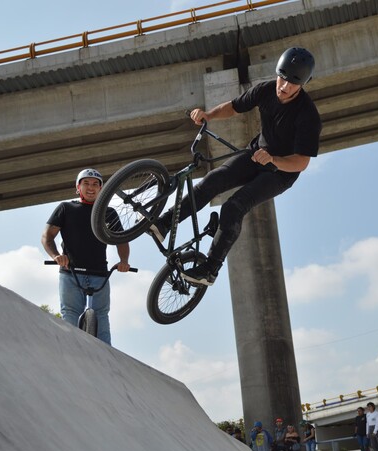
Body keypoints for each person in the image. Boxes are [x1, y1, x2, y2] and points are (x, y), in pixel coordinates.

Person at [148, 47, 321, 286]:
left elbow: (301, 162)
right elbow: (234, 106)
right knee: (211, 181)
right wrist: (208, 115)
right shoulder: (265, 90)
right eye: (282, 78)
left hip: (280, 172)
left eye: (292, 83)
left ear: (303, 83)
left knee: (233, 207)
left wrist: (273, 160)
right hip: (255, 154)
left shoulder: (308, 115)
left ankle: (209, 269)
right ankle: (164, 224)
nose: (283, 86)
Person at [41, 168, 130, 345]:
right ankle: (68, 353)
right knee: (70, 315)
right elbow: (47, 236)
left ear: (101, 188)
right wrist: (56, 256)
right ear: (78, 188)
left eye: (95, 184)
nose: (91, 187)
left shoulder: (109, 213)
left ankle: (107, 361)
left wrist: (124, 261)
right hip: (70, 273)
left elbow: (122, 241)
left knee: (101, 317)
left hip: (100, 274)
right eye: (86, 183)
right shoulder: (66, 208)